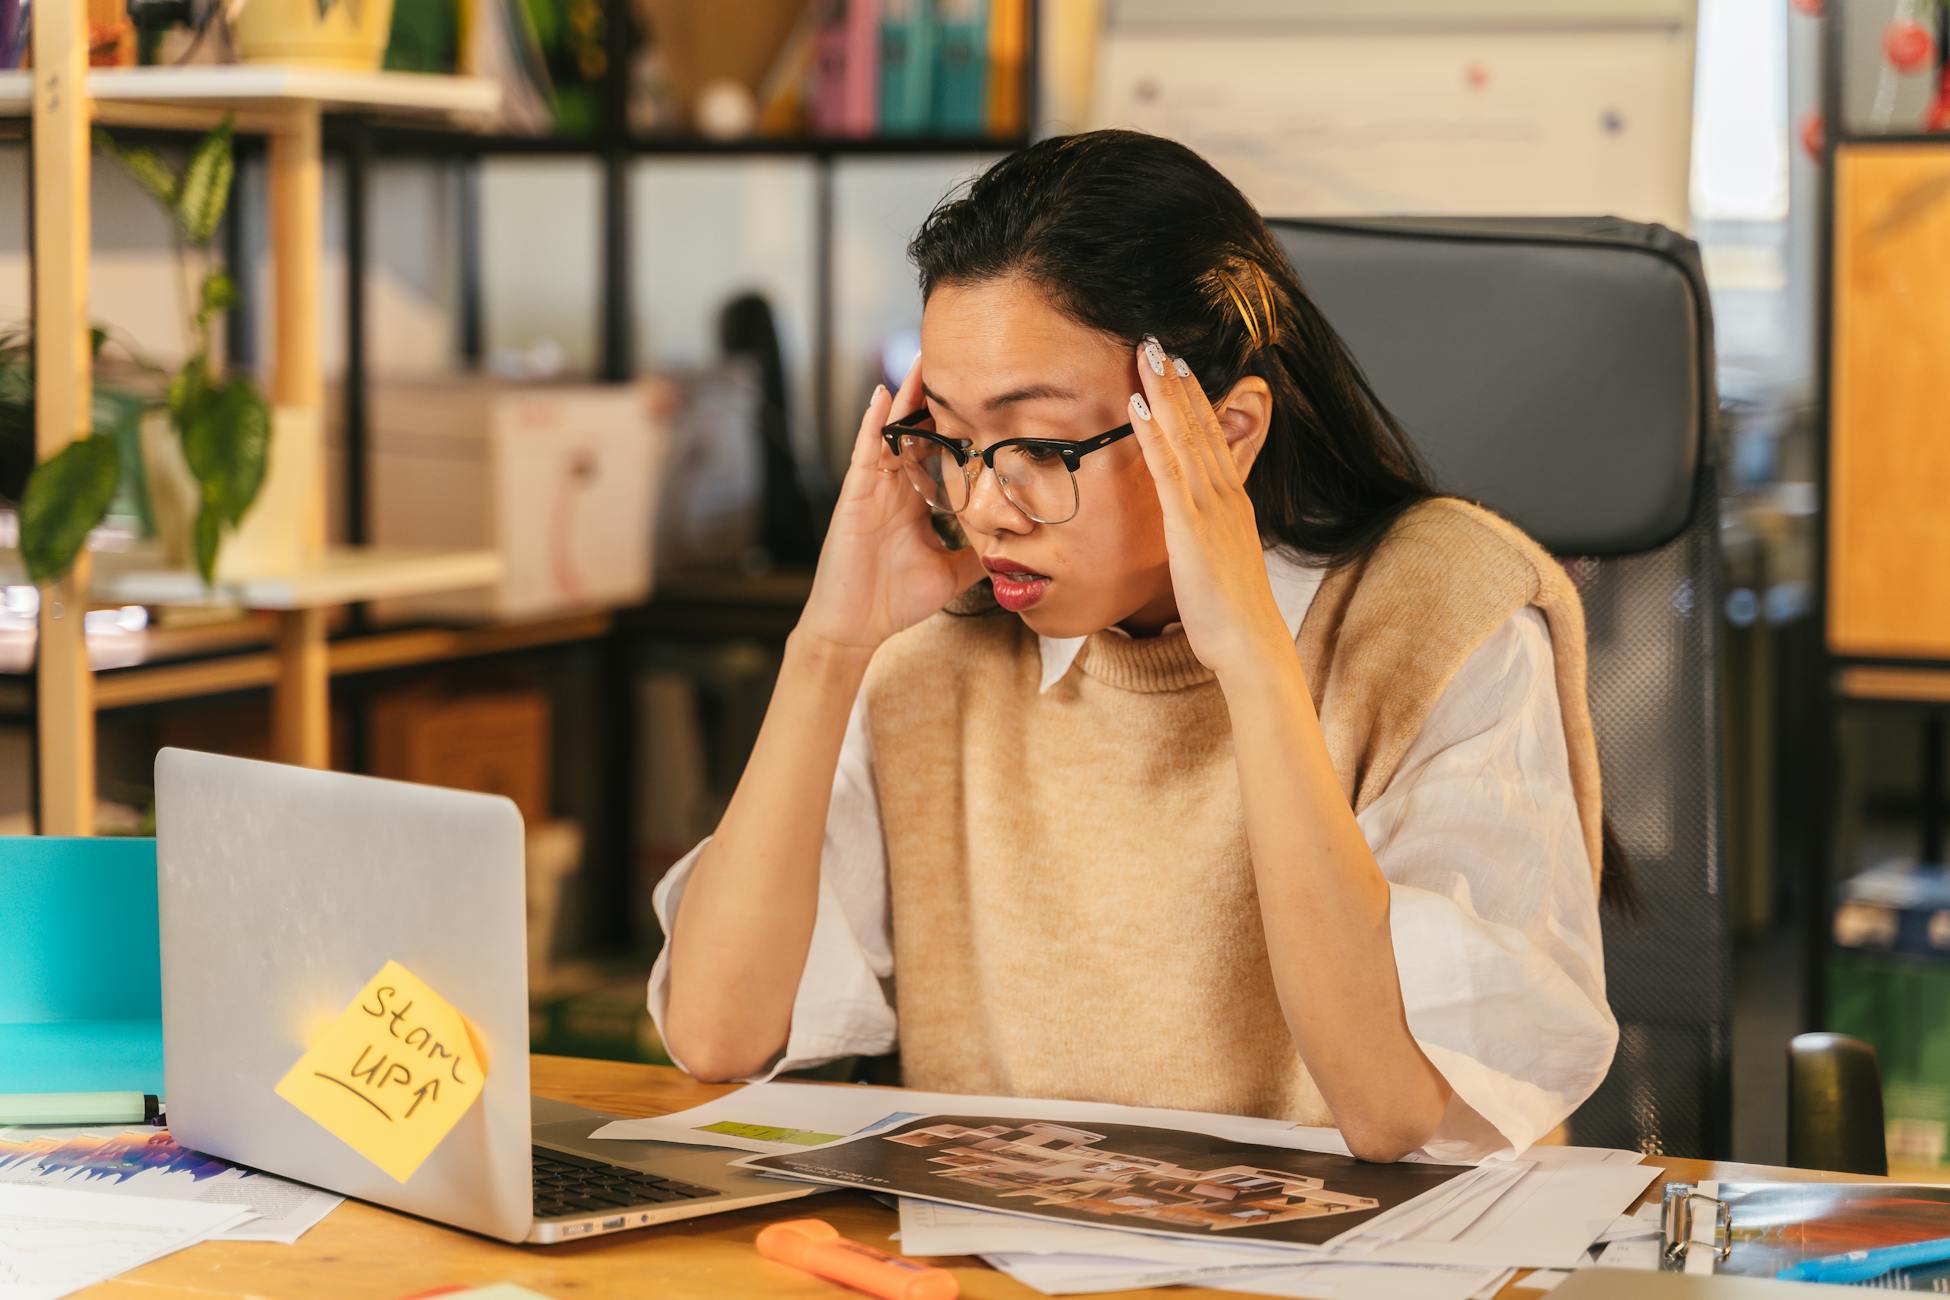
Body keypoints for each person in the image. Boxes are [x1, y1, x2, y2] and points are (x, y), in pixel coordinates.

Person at [650, 130, 1618, 1163]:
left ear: (1228, 433)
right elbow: (717, 1033)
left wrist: (1248, 651)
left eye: (1040, 447)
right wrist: (828, 646)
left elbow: (1390, 1108)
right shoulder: (937, 652)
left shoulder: (1446, 613)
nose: (986, 508)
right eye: (956, 442)